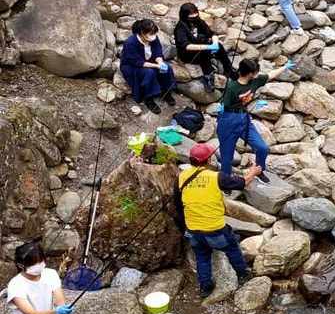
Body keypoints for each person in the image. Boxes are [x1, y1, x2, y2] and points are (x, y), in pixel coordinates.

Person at [177, 143, 258, 298]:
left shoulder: (181, 178)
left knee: (202, 256)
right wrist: (253, 172)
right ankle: (242, 274)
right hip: (215, 230)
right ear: (208, 161)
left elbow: (179, 202)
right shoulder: (216, 177)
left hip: (193, 230)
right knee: (232, 248)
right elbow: (242, 182)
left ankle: (205, 287)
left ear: (191, 160)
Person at [217, 57, 290, 179]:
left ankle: (258, 170)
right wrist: (221, 112)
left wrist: (284, 67)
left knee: (262, 148)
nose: (258, 72)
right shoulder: (232, 86)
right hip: (228, 120)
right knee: (227, 155)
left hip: (244, 119)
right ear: (250, 73)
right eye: (256, 70)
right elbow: (225, 104)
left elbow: (270, 75)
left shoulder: (255, 81)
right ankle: (226, 181)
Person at [5, 241, 72, 314]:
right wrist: (56, 312)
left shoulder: (50, 274)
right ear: (20, 265)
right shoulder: (15, 285)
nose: (38, 265)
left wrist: (63, 309)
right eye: (33, 263)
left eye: (40, 261)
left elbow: (60, 300)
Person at [174, 1, 234, 93]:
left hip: (202, 45)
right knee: (204, 53)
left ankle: (228, 68)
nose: (194, 16)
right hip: (188, 54)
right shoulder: (180, 28)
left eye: (195, 13)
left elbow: (210, 33)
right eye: (191, 15)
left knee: (220, 46)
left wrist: (214, 43)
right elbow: (186, 46)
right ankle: (208, 77)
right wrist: (206, 47)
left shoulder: (199, 22)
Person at [120, 18, 176, 114]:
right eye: (151, 33)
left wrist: (160, 62)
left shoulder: (153, 39)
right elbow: (139, 62)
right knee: (149, 72)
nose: (153, 36)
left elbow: (158, 52)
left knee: (168, 67)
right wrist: (156, 66)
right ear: (142, 33)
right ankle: (149, 98)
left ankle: (166, 92)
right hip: (132, 67)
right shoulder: (130, 43)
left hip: (149, 61)